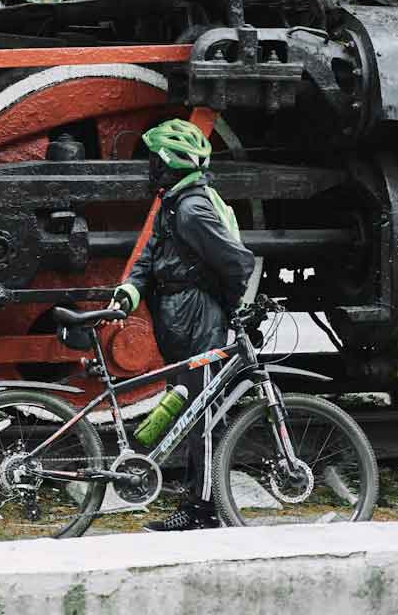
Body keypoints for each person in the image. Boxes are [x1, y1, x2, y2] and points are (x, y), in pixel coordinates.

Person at [110, 119, 256, 531]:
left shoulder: (192, 209)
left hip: (198, 313)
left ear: (172, 163)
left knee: (203, 414)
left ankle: (203, 510)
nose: (149, 169)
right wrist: (130, 291)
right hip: (177, 310)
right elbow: (149, 256)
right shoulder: (172, 203)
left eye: (154, 161)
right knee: (189, 407)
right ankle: (200, 497)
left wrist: (229, 307)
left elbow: (238, 261)